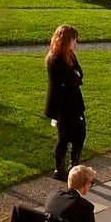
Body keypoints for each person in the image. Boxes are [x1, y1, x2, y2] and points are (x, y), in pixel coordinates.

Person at [44, 25, 86, 180]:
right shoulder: (55, 60)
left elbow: (79, 74)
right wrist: (75, 76)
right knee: (64, 138)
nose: (75, 43)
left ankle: (73, 166)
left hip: (74, 103)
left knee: (80, 135)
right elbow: (69, 82)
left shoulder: (70, 55)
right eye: (73, 40)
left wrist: (75, 76)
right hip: (62, 106)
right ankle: (59, 169)